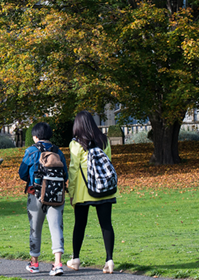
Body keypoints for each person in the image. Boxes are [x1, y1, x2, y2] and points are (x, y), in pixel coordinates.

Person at [66, 110, 117, 274]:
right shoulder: (104, 140)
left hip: (84, 191)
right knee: (106, 224)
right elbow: (108, 162)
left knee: (80, 224)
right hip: (105, 190)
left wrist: (71, 193)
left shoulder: (76, 143)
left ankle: (75, 258)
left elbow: (73, 170)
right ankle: (109, 260)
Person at [18, 122, 68, 275]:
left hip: (36, 194)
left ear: (35, 137)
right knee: (56, 227)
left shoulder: (31, 151)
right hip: (56, 195)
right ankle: (58, 263)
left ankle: (34, 263)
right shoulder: (58, 151)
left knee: (35, 228)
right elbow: (65, 174)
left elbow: (22, 173)